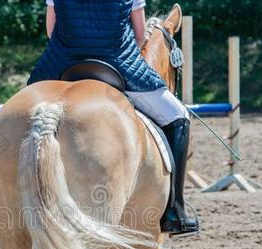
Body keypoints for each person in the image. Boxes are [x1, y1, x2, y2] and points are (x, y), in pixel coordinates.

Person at [27, 0, 199, 236]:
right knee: (178, 115)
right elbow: (140, 37)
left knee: (19, 112)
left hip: (61, 64)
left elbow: (51, 30)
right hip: (118, 64)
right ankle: (174, 212)